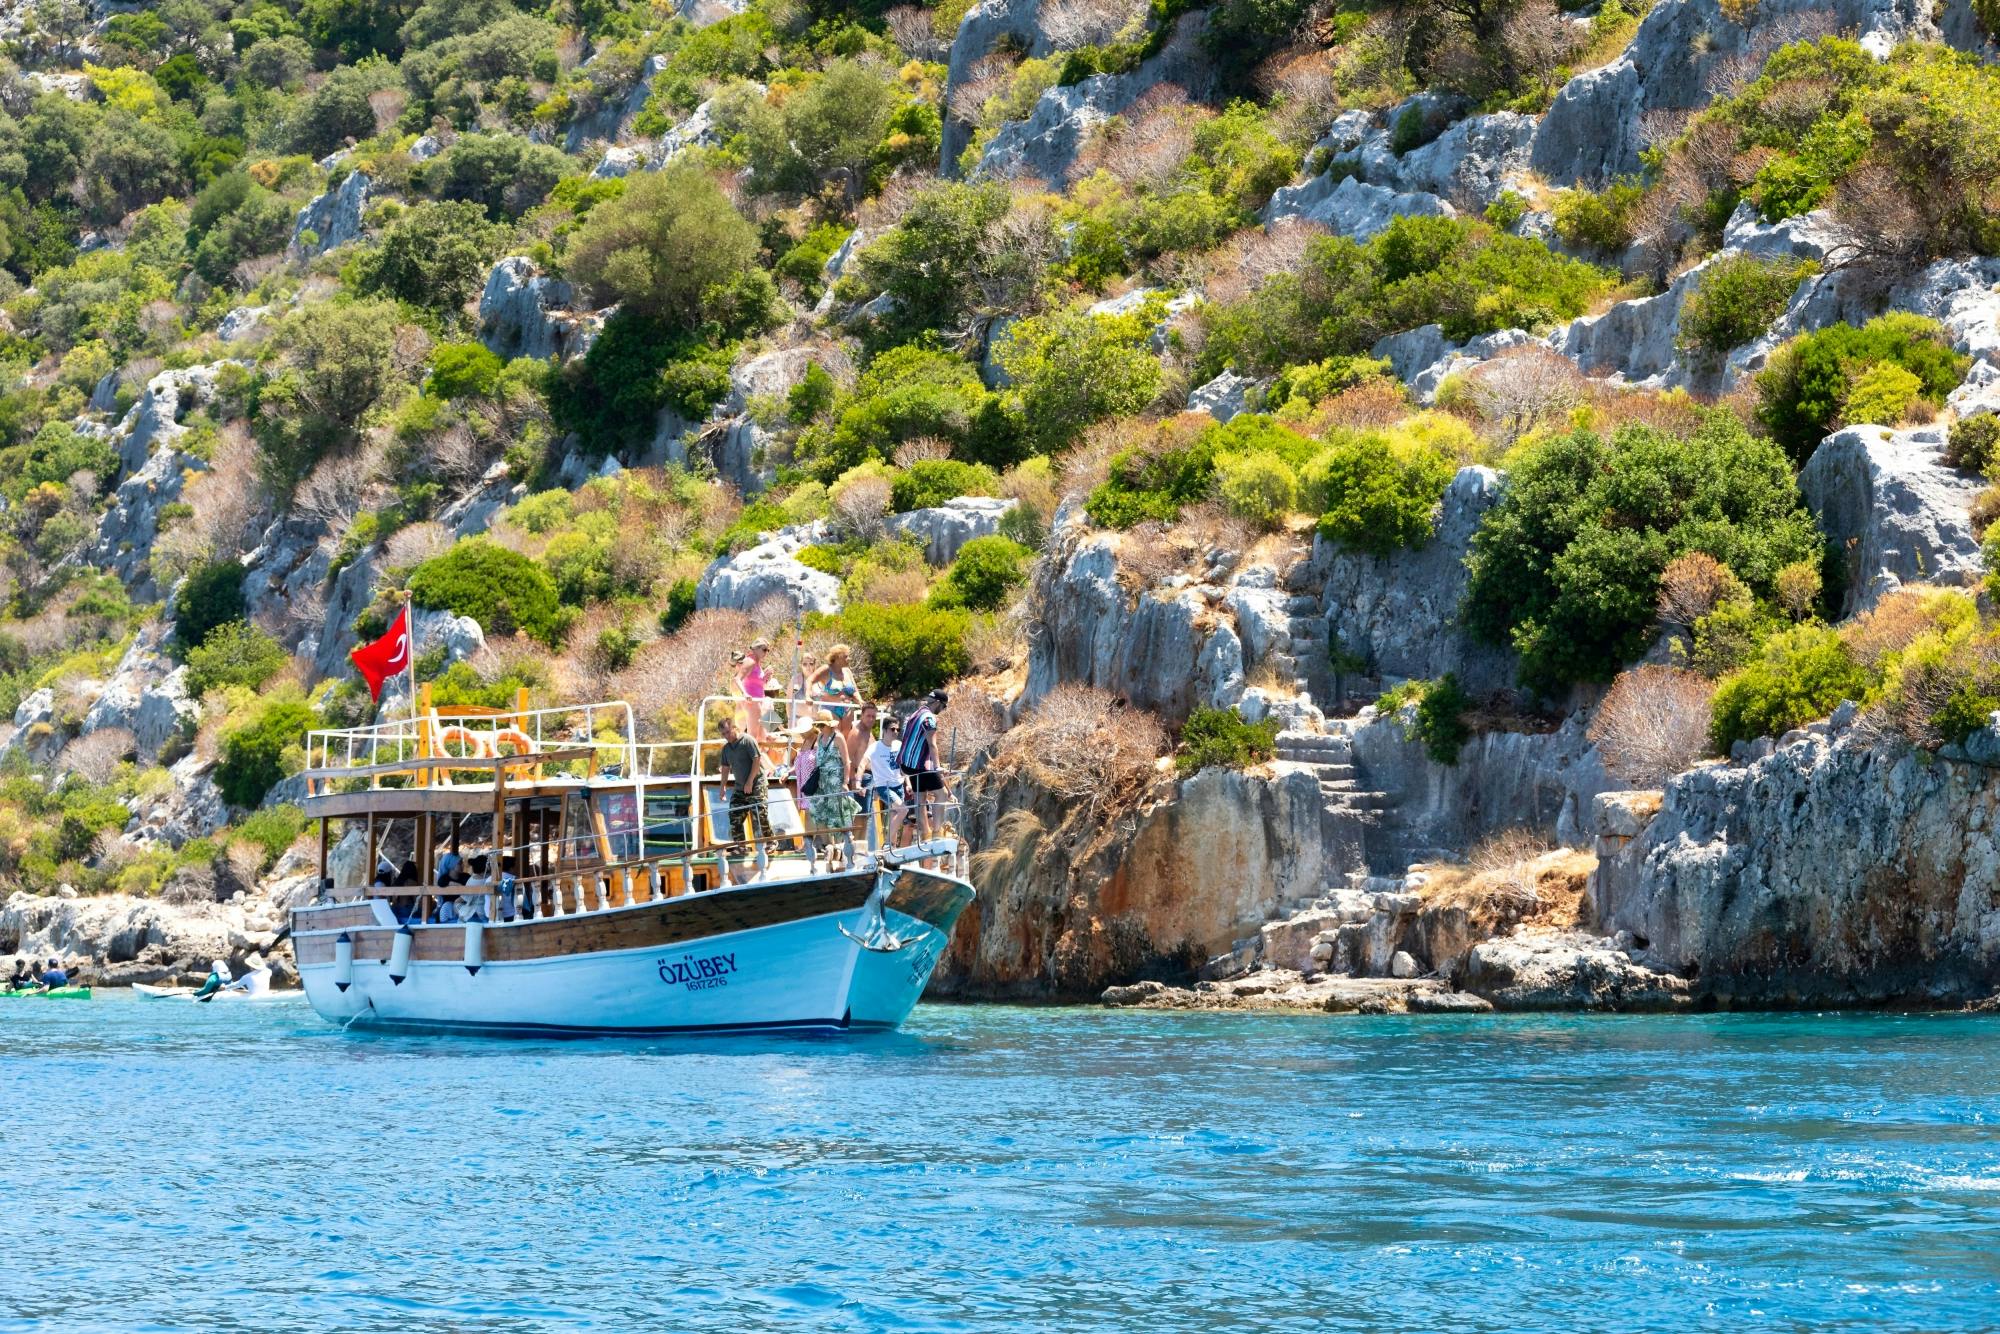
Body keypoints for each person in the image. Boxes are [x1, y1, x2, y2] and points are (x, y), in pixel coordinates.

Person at [715, 714, 771, 884]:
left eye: (727, 732)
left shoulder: (748, 741)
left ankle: (769, 842)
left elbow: (756, 761)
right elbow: (725, 768)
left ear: (734, 728)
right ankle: (741, 846)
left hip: (756, 784)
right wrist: (723, 786)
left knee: (759, 816)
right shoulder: (726, 749)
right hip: (740, 787)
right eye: (723, 734)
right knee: (735, 815)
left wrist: (749, 782)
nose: (726, 736)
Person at [801, 717, 860, 871]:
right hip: (822, 781)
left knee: (836, 813)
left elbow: (846, 761)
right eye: (818, 725)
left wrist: (845, 782)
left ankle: (840, 847)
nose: (820, 728)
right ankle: (830, 845)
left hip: (835, 780)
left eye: (822, 725)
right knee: (817, 810)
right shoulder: (820, 737)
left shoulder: (838, 737)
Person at [897, 689, 949, 843]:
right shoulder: (929, 719)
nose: (943, 710)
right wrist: (938, 767)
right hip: (918, 765)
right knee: (942, 794)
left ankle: (925, 834)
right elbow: (932, 745)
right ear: (938, 703)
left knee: (920, 798)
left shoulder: (916, 714)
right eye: (944, 706)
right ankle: (937, 833)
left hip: (907, 765)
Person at [861, 710, 907, 854]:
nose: (896, 732)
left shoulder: (899, 745)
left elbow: (903, 767)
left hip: (899, 784)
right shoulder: (875, 748)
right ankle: (886, 842)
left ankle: (891, 848)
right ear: (885, 730)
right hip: (883, 786)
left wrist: (909, 783)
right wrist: (857, 782)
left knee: (896, 815)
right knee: (903, 810)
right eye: (892, 729)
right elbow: (863, 763)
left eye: (898, 729)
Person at [734, 639, 777, 741]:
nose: (766, 652)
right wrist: (745, 694)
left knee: (760, 737)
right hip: (752, 702)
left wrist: (765, 677)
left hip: (758, 700)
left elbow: (757, 684)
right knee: (752, 736)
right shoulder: (750, 661)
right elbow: (737, 678)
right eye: (764, 649)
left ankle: (767, 738)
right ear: (756, 648)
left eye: (768, 650)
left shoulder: (756, 663)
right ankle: (748, 756)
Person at [809, 644, 860, 721]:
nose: (849, 659)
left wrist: (861, 701)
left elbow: (855, 691)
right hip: (830, 711)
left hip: (847, 710)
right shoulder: (826, 670)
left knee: (846, 733)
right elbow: (810, 680)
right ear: (838, 657)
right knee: (835, 733)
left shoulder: (847, 671)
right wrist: (808, 696)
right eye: (846, 656)